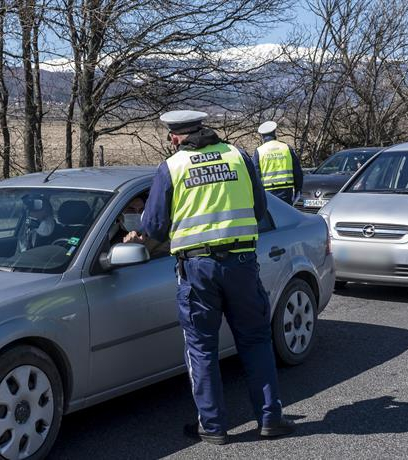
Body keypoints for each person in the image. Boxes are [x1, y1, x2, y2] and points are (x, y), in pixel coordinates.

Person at [124, 110, 295, 444]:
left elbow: (156, 227)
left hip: (198, 270)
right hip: (242, 263)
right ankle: (270, 418)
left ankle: (213, 427)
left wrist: (140, 234)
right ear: (202, 129)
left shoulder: (172, 168)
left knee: (202, 348)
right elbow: (260, 210)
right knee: (256, 340)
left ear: (174, 137)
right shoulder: (238, 156)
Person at [253, 121, 303, 205]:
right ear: (274, 132)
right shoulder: (286, 148)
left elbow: (255, 175)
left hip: (268, 192)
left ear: (262, 136)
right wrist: (298, 189)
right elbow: (297, 171)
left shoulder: (259, 151)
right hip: (286, 191)